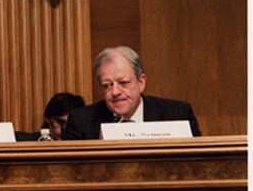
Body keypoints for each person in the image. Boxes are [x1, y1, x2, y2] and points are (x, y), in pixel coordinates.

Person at [63, 46, 201, 140]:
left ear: (141, 83)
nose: (115, 92)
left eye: (123, 82)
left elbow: (199, 167)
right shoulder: (81, 121)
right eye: (107, 85)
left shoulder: (178, 114)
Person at [16, 92, 85, 141]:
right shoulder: (26, 141)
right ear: (48, 119)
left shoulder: (88, 143)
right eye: (60, 122)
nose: (65, 128)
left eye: (71, 124)